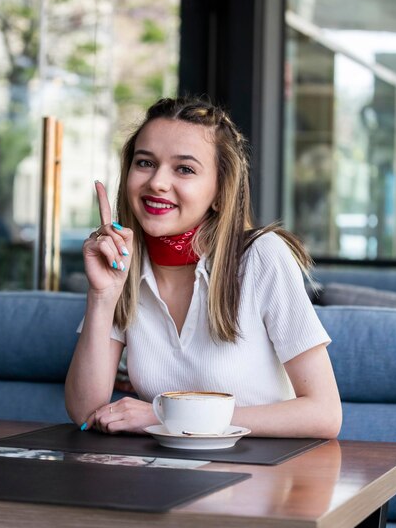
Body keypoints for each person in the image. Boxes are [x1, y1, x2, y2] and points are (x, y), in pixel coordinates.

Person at [65, 96, 342, 438]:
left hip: (263, 475)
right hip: (164, 477)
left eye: (185, 169)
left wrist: (166, 417)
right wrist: (103, 296)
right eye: (145, 163)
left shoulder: (262, 256)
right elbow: (84, 412)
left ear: (219, 192)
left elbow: (325, 414)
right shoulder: (125, 266)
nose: (157, 183)